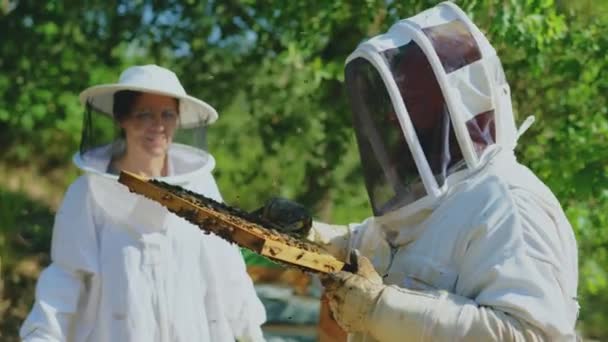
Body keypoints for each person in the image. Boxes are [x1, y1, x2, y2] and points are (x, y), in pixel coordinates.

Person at [262, 2, 579, 341]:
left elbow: (529, 334)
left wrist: (379, 309)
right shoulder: (430, 202)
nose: (393, 118)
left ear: (453, 102)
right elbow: (372, 247)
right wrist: (309, 236)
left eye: (411, 97)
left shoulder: (507, 205)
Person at [20, 65, 266, 341]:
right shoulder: (86, 193)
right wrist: (42, 336)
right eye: (144, 114)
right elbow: (66, 277)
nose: (158, 125)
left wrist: (251, 334)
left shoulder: (201, 188)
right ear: (122, 118)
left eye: (167, 114)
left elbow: (227, 269)